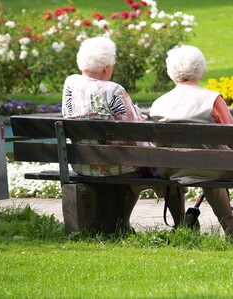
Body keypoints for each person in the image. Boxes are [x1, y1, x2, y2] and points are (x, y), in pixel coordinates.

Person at [62, 36, 185, 229]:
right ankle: (181, 224)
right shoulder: (114, 90)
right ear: (106, 67)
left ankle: (121, 224)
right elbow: (134, 132)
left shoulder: (70, 84)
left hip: (82, 163)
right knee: (166, 166)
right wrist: (139, 120)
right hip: (116, 166)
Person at [150, 45, 233, 238]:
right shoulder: (212, 99)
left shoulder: (159, 103)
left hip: (172, 168)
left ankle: (181, 226)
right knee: (213, 169)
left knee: (189, 166)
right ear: (201, 70)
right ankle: (231, 232)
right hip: (213, 169)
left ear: (172, 72)